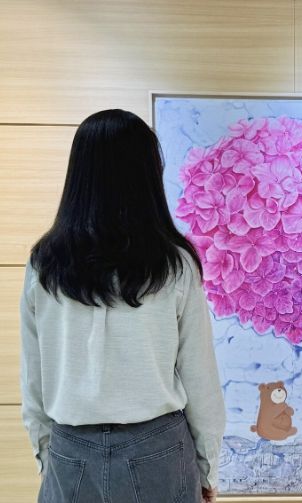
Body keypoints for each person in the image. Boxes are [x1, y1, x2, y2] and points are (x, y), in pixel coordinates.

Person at [20, 109, 225, 502]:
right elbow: (201, 378)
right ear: (146, 174)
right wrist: (207, 467)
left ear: (79, 174)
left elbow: (34, 379)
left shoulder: (44, 263)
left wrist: (47, 457)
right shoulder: (174, 263)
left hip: (70, 448)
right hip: (159, 451)